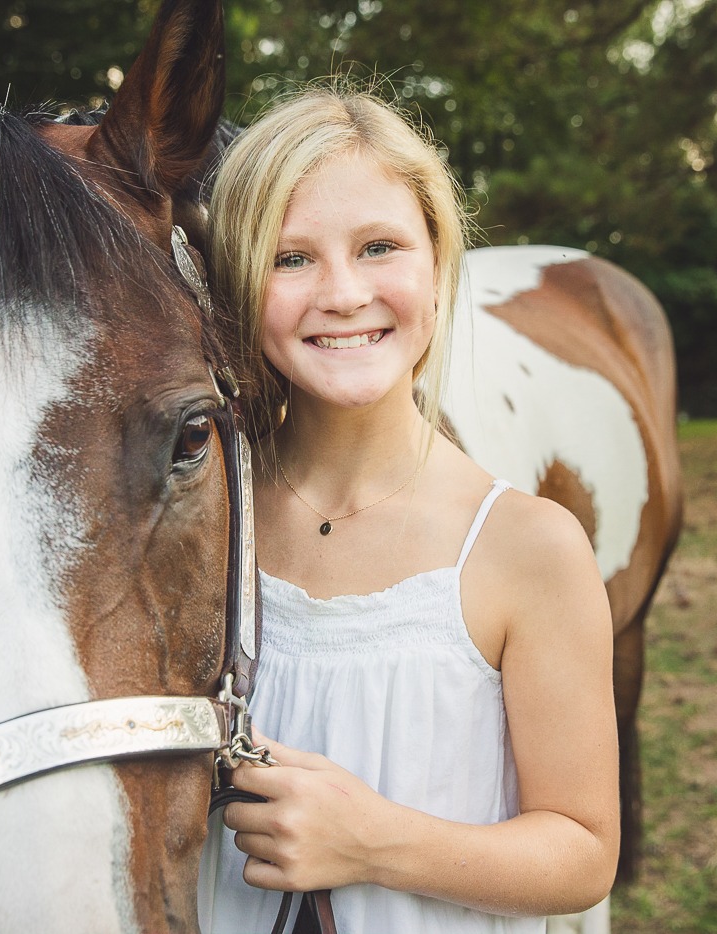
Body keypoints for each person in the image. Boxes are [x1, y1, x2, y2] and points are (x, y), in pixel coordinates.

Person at [197, 85, 620, 934]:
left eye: (379, 246)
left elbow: (582, 852)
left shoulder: (525, 548)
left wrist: (374, 845)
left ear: (437, 264)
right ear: (240, 284)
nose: (344, 293)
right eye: (291, 258)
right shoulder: (208, 518)